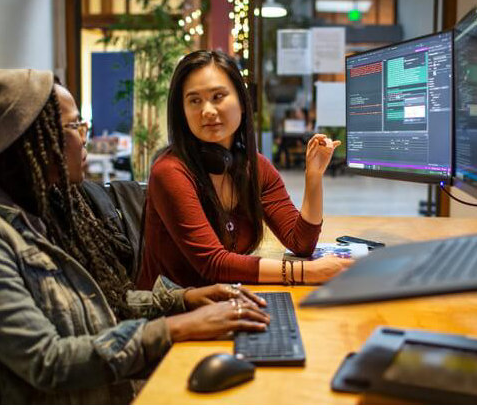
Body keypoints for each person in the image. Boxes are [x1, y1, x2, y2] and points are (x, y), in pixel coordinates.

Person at [0, 68, 270, 404]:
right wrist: (175, 329)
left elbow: (104, 305)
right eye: (75, 126)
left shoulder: (46, 209)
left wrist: (185, 300)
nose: (88, 136)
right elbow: (47, 361)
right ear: (32, 141)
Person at [137, 50, 352, 290]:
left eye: (218, 96)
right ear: (183, 112)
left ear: (241, 102)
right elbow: (213, 264)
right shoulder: (169, 172)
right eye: (194, 100)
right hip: (172, 316)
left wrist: (314, 177)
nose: (207, 110)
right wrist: (307, 272)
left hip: (224, 303)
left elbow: (300, 243)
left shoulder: (255, 167)